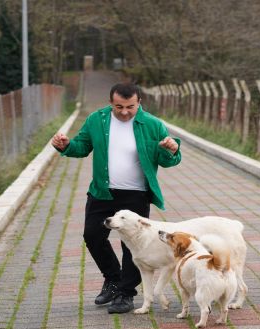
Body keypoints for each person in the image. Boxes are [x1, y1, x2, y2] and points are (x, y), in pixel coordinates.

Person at [51, 83, 181, 314]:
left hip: (136, 194)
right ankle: (113, 279)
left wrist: (171, 149)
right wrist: (66, 145)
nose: (124, 112)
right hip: (102, 191)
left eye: (130, 107)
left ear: (139, 102)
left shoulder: (152, 124)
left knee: (131, 245)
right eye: (118, 106)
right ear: (111, 102)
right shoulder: (96, 120)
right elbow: (82, 146)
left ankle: (126, 293)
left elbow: (169, 160)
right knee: (92, 235)